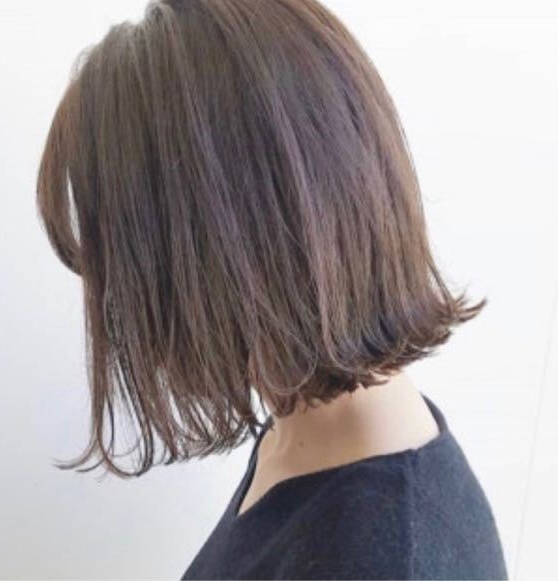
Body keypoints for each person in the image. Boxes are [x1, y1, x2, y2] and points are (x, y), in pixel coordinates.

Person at [36, 0, 508, 578]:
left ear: (220, 251)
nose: (121, 304)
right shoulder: (305, 430)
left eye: (128, 262)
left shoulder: (380, 558)